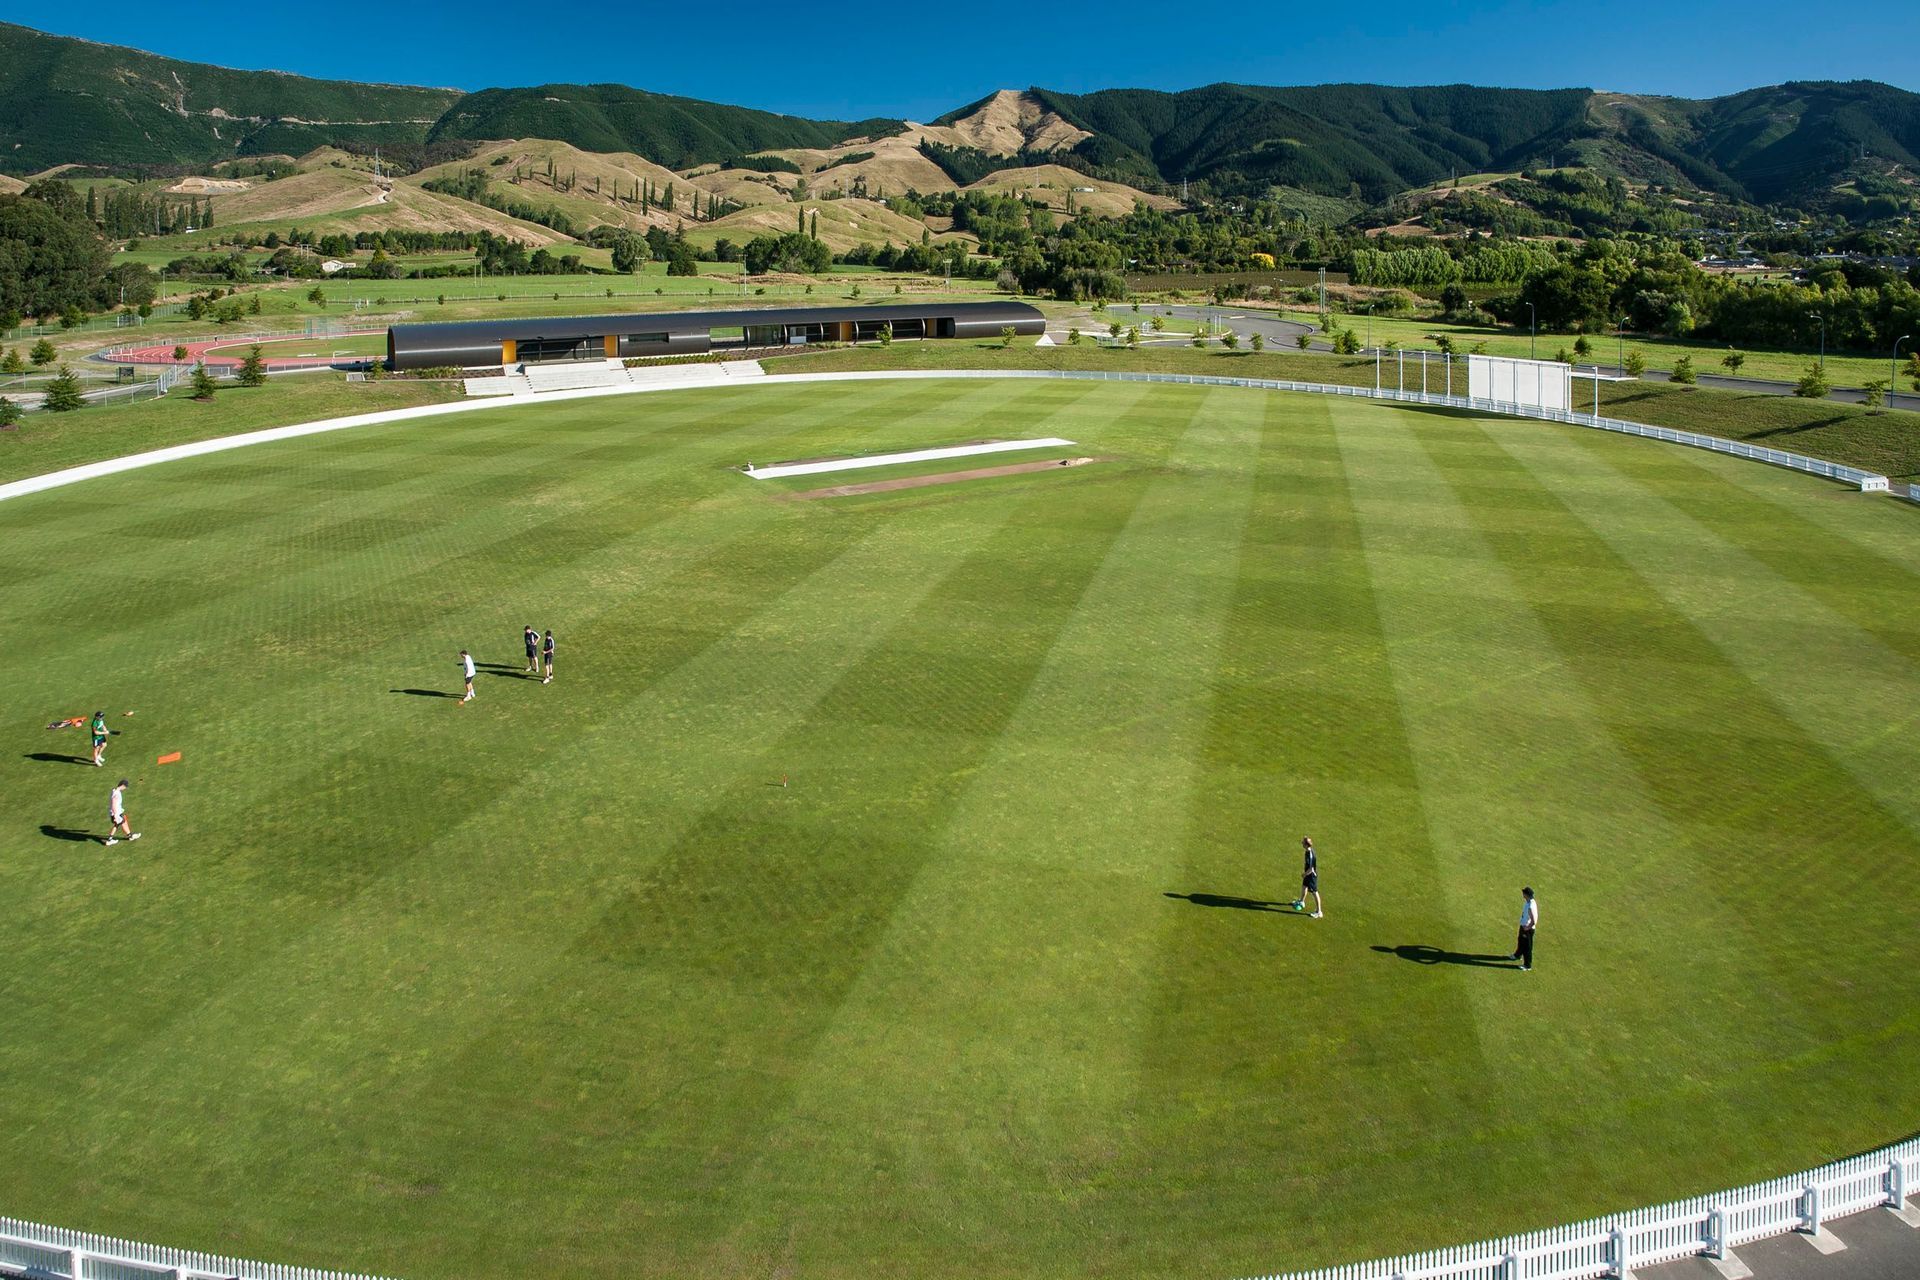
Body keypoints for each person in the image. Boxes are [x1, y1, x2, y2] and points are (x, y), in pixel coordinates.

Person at [1291, 836, 1322, 918]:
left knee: (1314, 892)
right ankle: (1301, 901)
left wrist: (1305, 874)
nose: (1302, 843)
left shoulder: (1310, 854)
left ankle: (1319, 912)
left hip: (1311, 875)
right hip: (1308, 874)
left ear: (1306, 845)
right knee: (1304, 886)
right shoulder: (1307, 851)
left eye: (1303, 842)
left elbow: (1311, 869)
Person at [1511, 887, 1538, 971]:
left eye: (1524, 893)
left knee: (1527, 947)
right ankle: (1517, 955)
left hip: (1527, 930)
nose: (1523, 894)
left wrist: (1527, 927)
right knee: (1521, 941)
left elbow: (1534, 920)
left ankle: (1527, 965)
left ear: (1527, 895)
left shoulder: (1531, 906)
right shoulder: (1528, 902)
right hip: (1523, 926)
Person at [105, 778, 139, 845]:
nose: (125, 789)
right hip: (116, 813)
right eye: (125, 787)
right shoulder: (117, 793)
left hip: (117, 812)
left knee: (122, 821)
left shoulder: (114, 790)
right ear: (122, 785)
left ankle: (130, 835)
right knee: (118, 824)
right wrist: (115, 816)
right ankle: (110, 840)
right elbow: (113, 804)